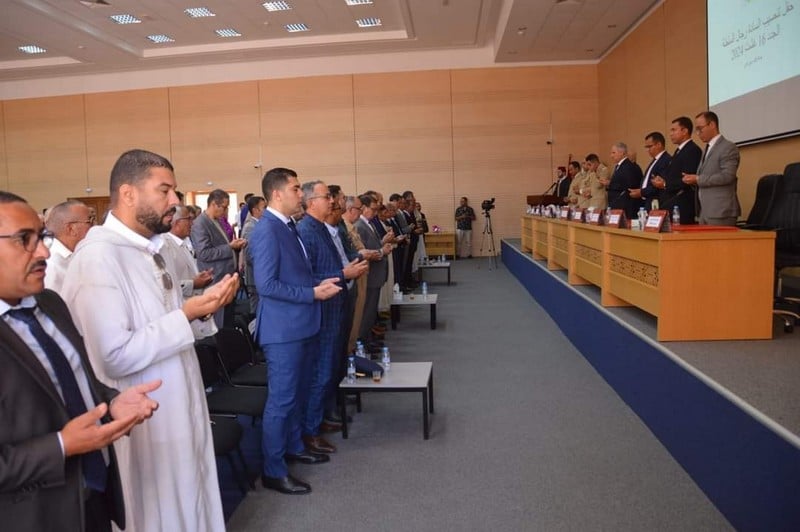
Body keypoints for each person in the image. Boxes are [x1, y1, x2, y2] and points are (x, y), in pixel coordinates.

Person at [60, 149, 238, 531]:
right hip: (147, 416)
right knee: (160, 512)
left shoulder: (148, 249)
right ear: (128, 193)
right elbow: (111, 356)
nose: (175, 201)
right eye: (164, 190)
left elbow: (164, 320)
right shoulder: (98, 258)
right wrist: (186, 315)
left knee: (191, 499)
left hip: (179, 401)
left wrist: (201, 308)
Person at [0, 190, 160, 532]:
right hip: (35, 516)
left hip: (93, 495)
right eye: (24, 240)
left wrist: (112, 402)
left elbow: (76, 381)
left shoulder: (50, 304)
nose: (43, 252)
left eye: (41, 236)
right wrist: (61, 446)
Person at [250, 167, 342, 495]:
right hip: (283, 330)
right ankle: (273, 470)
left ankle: (293, 447)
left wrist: (319, 283)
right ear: (277, 194)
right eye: (295, 189)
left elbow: (295, 275)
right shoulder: (267, 230)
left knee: (297, 394)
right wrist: (311, 293)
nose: (300, 194)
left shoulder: (288, 226)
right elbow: (267, 285)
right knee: (282, 400)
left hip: (301, 324)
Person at [296, 181, 367, 453]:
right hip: (323, 310)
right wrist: (342, 274)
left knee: (330, 368)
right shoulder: (306, 231)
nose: (333, 201)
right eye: (327, 197)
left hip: (336, 305)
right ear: (312, 202)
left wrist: (346, 269)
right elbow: (306, 278)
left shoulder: (323, 227)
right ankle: (310, 431)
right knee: (322, 371)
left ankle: (321, 417)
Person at [191, 189, 247, 327]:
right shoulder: (200, 224)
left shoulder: (218, 221)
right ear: (214, 204)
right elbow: (204, 253)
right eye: (224, 207)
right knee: (219, 323)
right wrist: (230, 247)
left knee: (228, 320)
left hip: (226, 276)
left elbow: (223, 244)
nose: (225, 210)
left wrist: (236, 246)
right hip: (216, 278)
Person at [681, 111, 741, 226]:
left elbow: (728, 176)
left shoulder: (728, 147)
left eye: (700, 128)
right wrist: (692, 180)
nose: (698, 133)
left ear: (712, 125)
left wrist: (698, 179)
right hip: (704, 211)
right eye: (696, 130)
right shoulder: (707, 149)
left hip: (720, 211)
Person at [651, 116, 702, 224]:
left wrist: (665, 184)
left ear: (684, 131)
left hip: (683, 205)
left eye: (674, 130)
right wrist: (663, 180)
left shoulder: (692, 150)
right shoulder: (679, 151)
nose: (671, 134)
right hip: (672, 203)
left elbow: (687, 179)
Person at [43, 199, 94, 293]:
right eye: (89, 221)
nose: (93, 227)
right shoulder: (50, 266)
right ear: (71, 229)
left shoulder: (74, 255)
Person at [629, 132, 672, 211]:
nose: (648, 150)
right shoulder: (655, 160)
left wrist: (642, 192)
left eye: (649, 146)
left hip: (659, 202)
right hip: (649, 201)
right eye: (646, 147)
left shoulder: (666, 160)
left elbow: (658, 185)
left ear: (659, 144)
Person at [601, 142, 643, 220]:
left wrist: (611, 184)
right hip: (616, 205)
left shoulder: (628, 166)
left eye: (613, 153)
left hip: (624, 207)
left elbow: (629, 187)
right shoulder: (619, 166)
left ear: (622, 153)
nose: (611, 156)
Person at [241, 195, 266, 315]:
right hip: (255, 276)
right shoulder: (250, 227)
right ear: (255, 210)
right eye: (264, 207)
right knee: (256, 311)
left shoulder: (260, 224)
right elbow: (250, 254)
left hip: (260, 276)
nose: (266, 210)